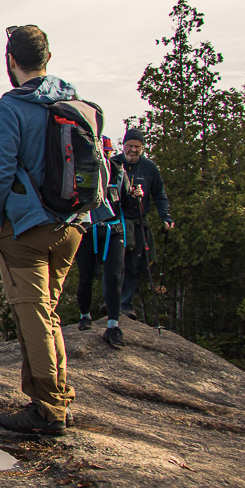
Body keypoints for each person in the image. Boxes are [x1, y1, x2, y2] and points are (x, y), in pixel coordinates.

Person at [0, 25, 86, 437]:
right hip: (72, 226)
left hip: (26, 229)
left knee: (33, 317)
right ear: (48, 58)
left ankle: (47, 410)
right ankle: (57, 396)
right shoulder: (74, 100)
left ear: (11, 61)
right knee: (48, 314)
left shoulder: (11, 106)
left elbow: (1, 171)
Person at [73, 136, 140, 347]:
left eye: (107, 151)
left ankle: (112, 325)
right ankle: (85, 316)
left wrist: (135, 196)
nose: (105, 155)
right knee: (85, 277)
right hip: (87, 230)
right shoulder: (82, 170)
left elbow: (127, 205)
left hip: (114, 231)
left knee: (113, 278)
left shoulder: (119, 172)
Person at [114, 128, 174, 319]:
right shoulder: (112, 163)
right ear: (123, 145)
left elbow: (159, 194)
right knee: (115, 263)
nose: (133, 150)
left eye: (137, 147)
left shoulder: (150, 168)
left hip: (140, 221)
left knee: (135, 264)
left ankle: (126, 303)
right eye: (130, 146)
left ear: (142, 148)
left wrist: (166, 216)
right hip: (116, 221)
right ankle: (110, 301)